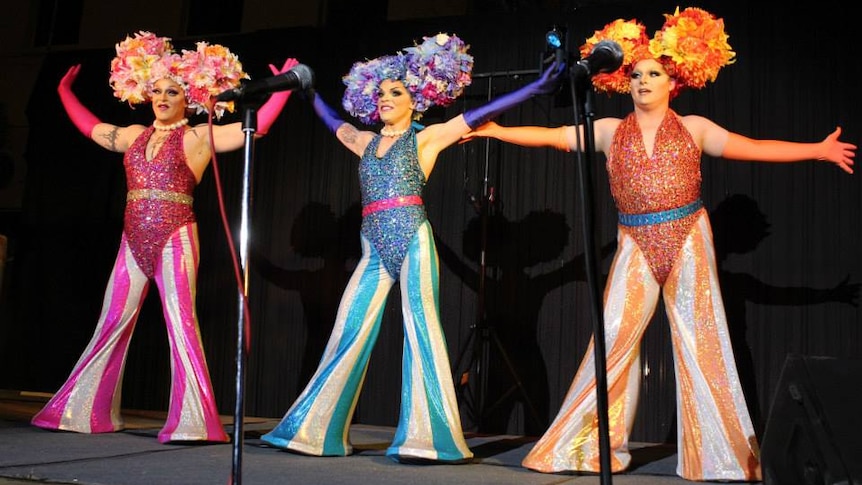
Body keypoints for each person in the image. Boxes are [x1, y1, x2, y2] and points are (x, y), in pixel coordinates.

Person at [461, 8, 855, 481]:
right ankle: (589, 448)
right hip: (634, 242)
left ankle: (718, 456)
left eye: (654, 74)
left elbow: (756, 146)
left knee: (700, 341)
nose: (643, 81)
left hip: (688, 237)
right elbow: (551, 137)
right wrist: (500, 131)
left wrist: (816, 149)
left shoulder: (695, 128)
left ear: (674, 83)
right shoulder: (608, 131)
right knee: (612, 341)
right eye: (636, 75)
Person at [260, 33, 564, 463]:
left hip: (413, 240)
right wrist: (307, 90)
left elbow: (480, 115)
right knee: (347, 330)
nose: (385, 99)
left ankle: (427, 438)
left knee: (422, 331)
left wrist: (534, 87)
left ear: (414, 101)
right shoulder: (364, 142)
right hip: (373, 249)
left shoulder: (427, 139)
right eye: (380, 93)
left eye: (395, 92)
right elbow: (331, 121)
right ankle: (311, 431)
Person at [30, 31, 299, 444]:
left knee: (181, 322)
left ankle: (193, 420)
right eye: (156, 90)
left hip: (176, 236)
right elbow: (91, 129)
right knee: (111, 320)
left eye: (171, 91)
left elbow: (256, 127)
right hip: (131, 239)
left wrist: (280, 90)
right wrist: (64, 92)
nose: (162, 97)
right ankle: (84, 411)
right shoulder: (135, 135)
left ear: (187, 98)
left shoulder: (196, 136)